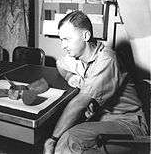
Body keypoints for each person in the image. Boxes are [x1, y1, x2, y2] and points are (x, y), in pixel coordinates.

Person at [43, 10, 148, 154]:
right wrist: (71, 78)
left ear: (86, 36)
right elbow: (60, 64)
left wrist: (52, 139)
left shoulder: (107, 59)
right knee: (65, 136)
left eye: (67, 39)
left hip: (127, 123)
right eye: (61, 40)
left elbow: (79, 104)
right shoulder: (79, 57)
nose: (63, 45)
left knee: (68, 139)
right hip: (101, 118)